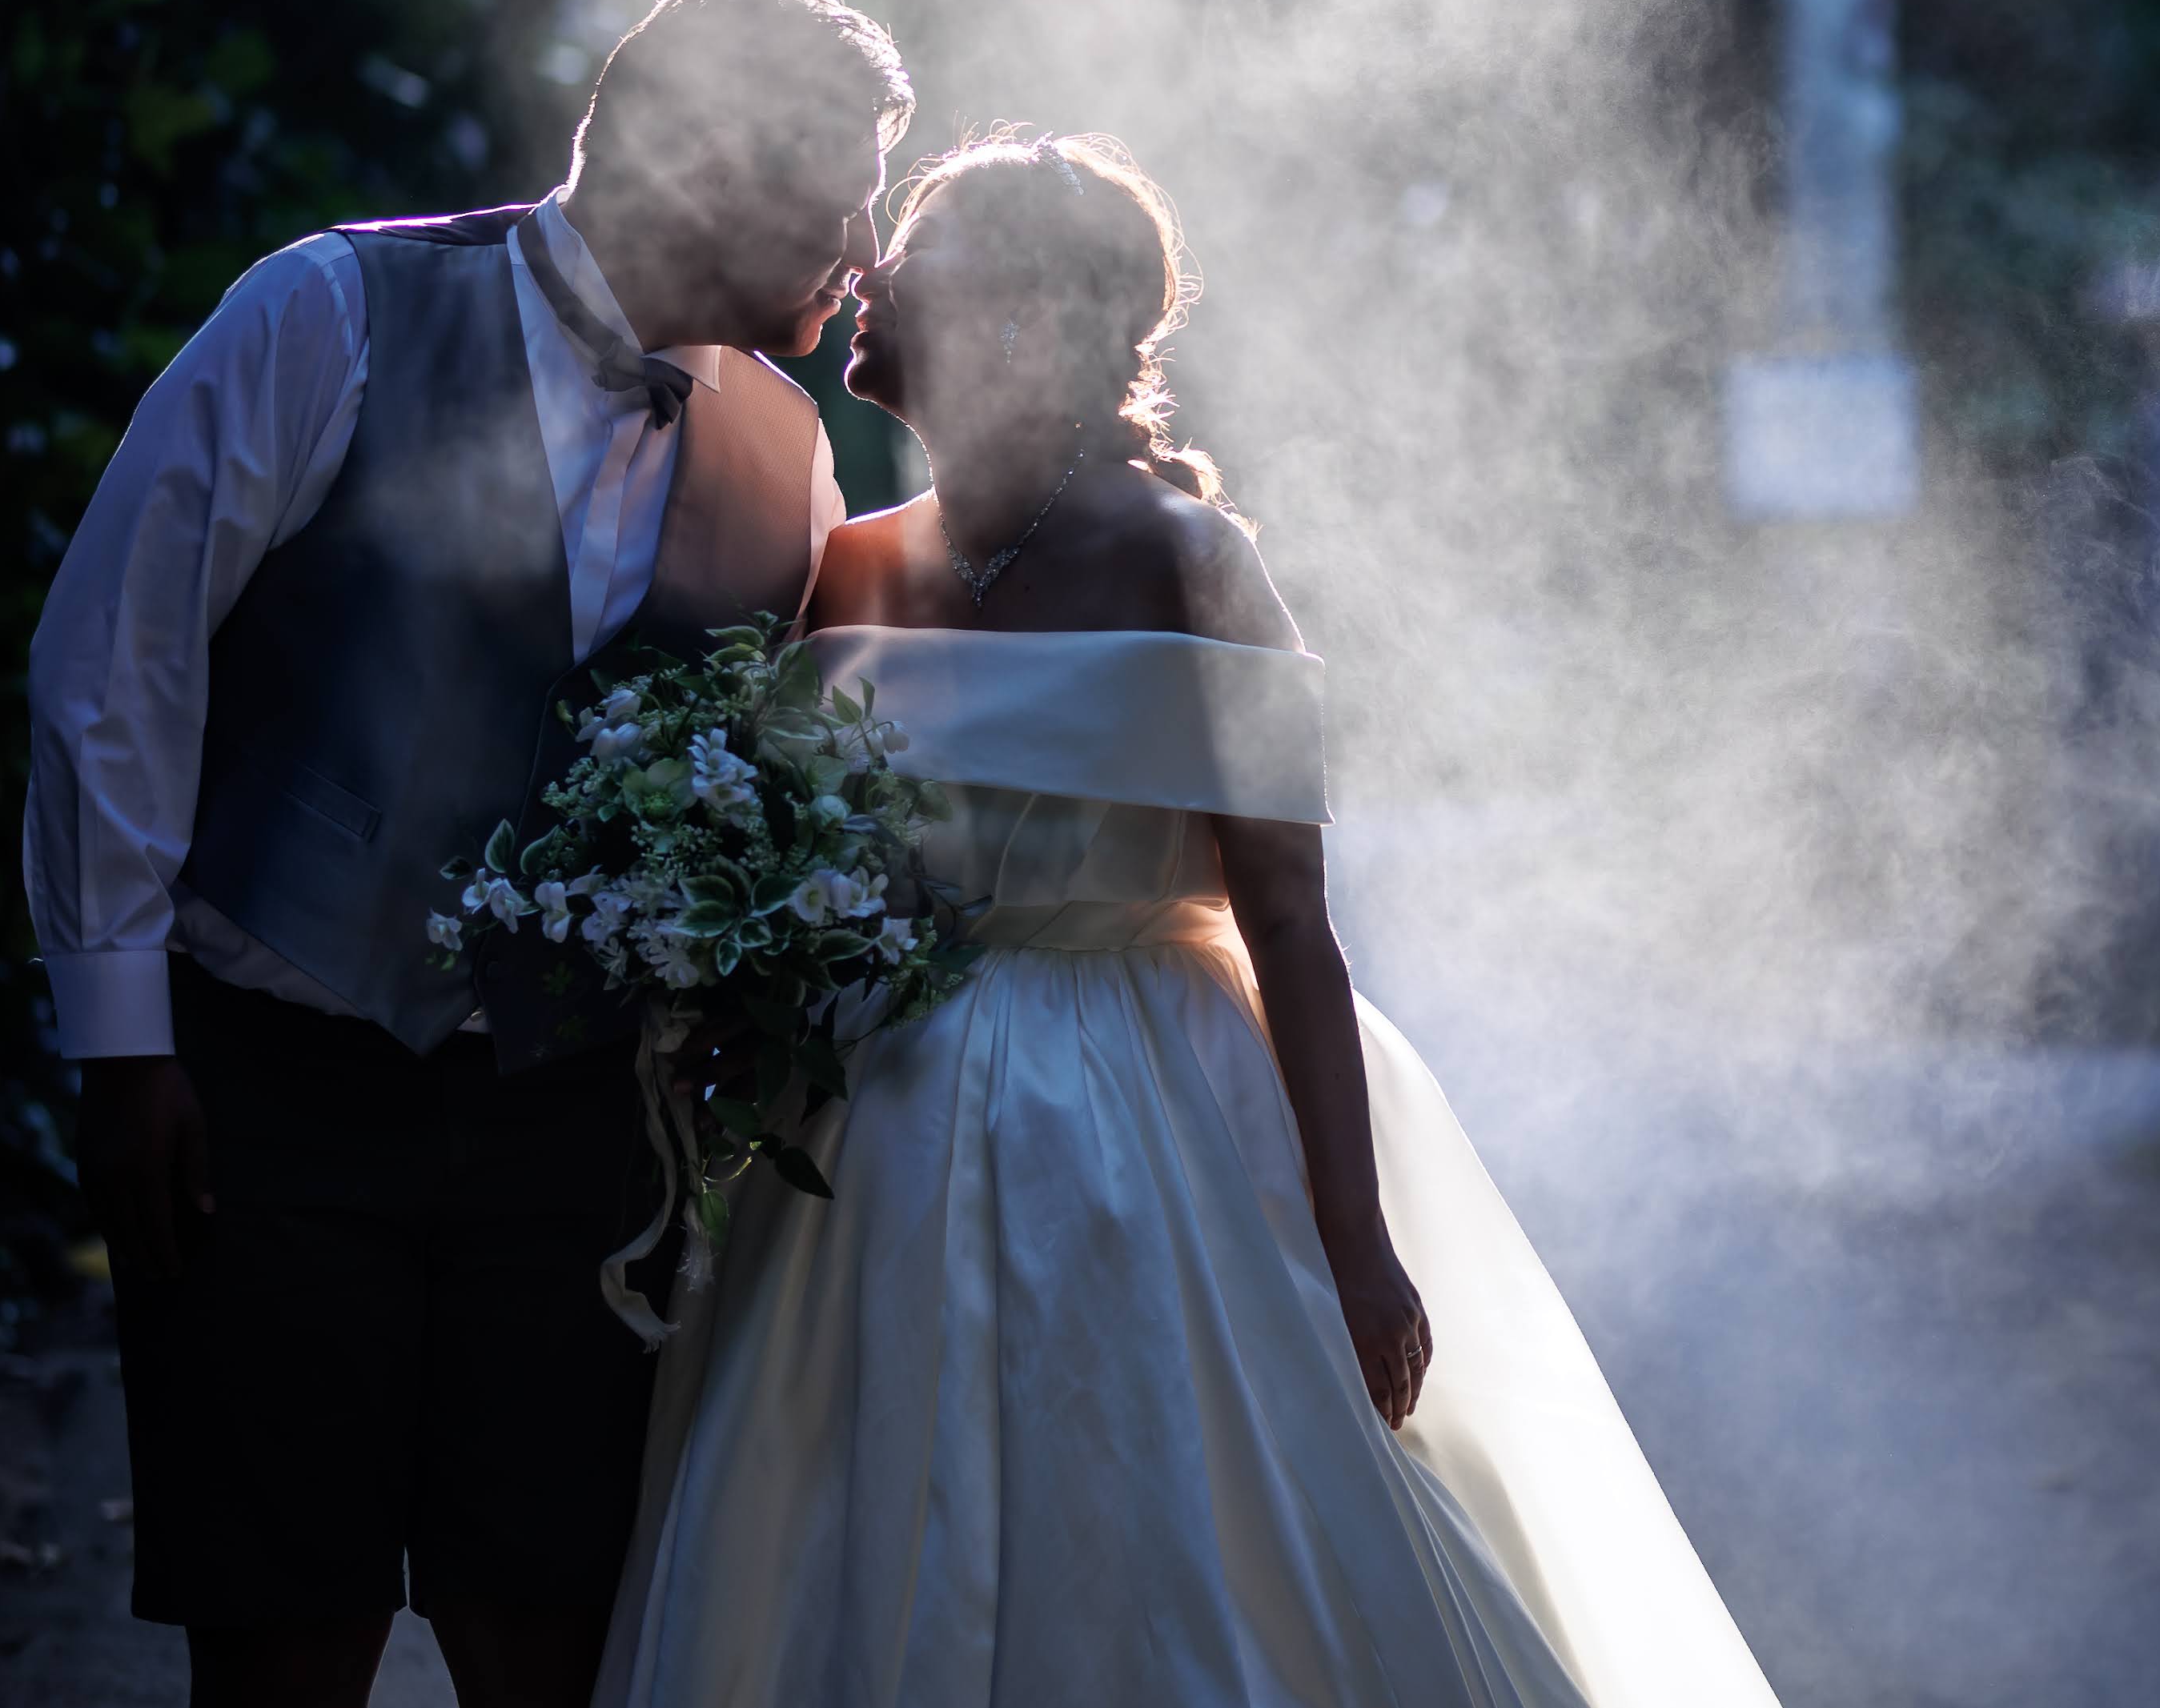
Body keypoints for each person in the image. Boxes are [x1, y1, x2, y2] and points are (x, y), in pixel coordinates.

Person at [600, 128, 1780, 1708]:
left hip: (1137, 1108)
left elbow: (1289, 922)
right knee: (852, 1507)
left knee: (1157, 1511)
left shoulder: (1195, 563)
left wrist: (1359, 1247)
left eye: (928, 242)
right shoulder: (852, 562)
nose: (875, 268)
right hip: (866, 1135)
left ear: (1032, 313)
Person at [25, 0, 913, 1708]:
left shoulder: (792, 448)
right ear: (705, 157)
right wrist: (121, 1042)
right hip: (268, 1093)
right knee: (283, 1637)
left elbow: (808, 767)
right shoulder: (327, 309)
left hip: (582, 1135)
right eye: (840, 183)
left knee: (554, 1634)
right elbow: (113, 659)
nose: (865, 241)